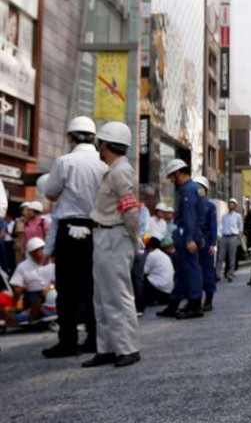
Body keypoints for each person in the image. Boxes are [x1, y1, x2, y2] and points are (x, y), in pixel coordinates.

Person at [41, 116, 108, 359]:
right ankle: (93, 337)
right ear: (94, 138)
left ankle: (67, 341)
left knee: (67, 289)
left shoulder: (64, 162)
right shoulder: (103, 165)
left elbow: (50, 193)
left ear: (70, 137)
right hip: (95, 229)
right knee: (93, 286)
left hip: (69, 230)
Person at [82, 122, 141, 368]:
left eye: (100, 142)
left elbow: (129, 209)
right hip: (106, 235)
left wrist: (133, 238)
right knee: (102, 296)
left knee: (118, 294)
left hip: (115, 235)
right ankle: (107, 348)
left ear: (105, 143)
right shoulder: (114, 169)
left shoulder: (120, 172)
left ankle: (128, 348)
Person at [158, 159, 204, 320]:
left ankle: (194, 304)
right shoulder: (194, 189)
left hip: (186, 237)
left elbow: (190, 217)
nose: (171, 180)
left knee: (191, 271)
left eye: (172, 177)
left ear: (178, 174)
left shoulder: (187, 190)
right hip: (188, 236)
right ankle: (175, 303)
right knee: (183, 272)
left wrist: (190, 239)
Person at [7, 237, 55, 324]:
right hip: (32, 294)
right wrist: (17, 295)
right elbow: (17, 288)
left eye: (41, 249)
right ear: (30, 253)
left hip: (51, 292)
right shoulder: (23, 266)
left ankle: (40, 313)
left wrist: (49, 288)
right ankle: (35, 313)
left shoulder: (52, 262)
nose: (40, 253)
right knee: (34, 300)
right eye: (36, 251)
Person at [193, 176, 218, 312]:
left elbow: (213, 226)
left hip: (206, 240)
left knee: (208, 271)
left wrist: (212, 244)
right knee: (194, 271)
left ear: (206, 190)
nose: (197, 190)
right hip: (193, 241)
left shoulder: (210, 206)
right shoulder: (191, 204)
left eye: (200, 187)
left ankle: (208, 300)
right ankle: (194, 299)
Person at [142, 238, 174, 307]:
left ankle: (148, 300)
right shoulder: (164, 255)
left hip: (160, 290)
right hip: (168, 290)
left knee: (141, 278)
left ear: (149, 246)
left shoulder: (152, 255)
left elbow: (144, 271)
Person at [217, 198, 242, 282]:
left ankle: (230, 273)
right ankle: (218, 274)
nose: (230, 205)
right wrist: (219, 235)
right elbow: (221, 226)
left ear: (235, 206)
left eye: (232, 204)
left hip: (233, 237)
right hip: (224, 237)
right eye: (229, 203)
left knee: (232, 257)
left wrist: (239, 236)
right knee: (220, 257)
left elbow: (240, 227)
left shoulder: (238, 216)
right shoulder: (224, 216)